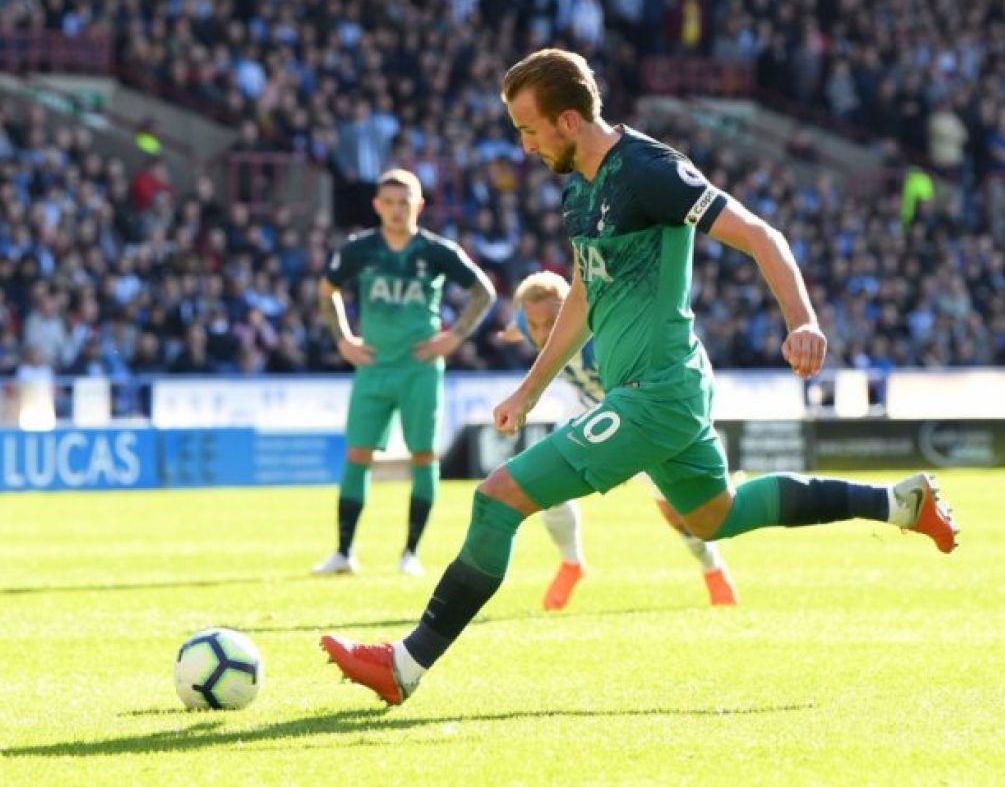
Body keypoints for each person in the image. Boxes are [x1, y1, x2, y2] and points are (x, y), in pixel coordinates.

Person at [321, 49, 958, 704]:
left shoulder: (650, 172)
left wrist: (803, 320)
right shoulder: (577, 186)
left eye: (530, 128)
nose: (524, 144)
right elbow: (582, 295)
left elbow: (762, 235)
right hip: (660, 393)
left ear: (569, 120)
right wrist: (531, 387)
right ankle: (901, 503)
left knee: (498, 497)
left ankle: (404, 664)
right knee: (716, 517)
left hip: (655, 394)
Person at [498, 270, 738, 609]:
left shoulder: (605, 335)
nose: (541, 333)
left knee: (677, 510)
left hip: (637, 419)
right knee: (543, 483)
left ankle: (712, 568)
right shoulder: (530, 322)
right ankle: (571, 564)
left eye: (551, 322)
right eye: (532, 325)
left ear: (572, 310)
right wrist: (511, 331)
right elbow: (518, 326)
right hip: (583, 413)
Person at [311, 168, 497, 577]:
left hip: (420, 368)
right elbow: (327, 291)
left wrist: (455, 337)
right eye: (389, 203)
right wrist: (343, 338)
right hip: (373, 366)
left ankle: (410, 553)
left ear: (419, 206)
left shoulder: (435, 251)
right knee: (357, 454)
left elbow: (484, 291)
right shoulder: (359, 249)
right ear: (377, 205)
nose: (396, 210)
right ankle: (344, 552)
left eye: (404, 202)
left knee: (424, 456)